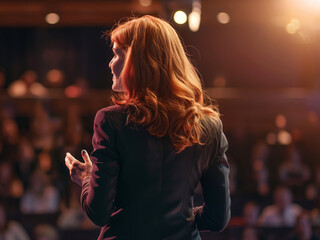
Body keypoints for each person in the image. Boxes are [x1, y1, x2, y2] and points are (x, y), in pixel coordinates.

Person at [64, 15, 230, 239]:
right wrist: (179, 220)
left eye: (116, 54)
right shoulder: (210, 127)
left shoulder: (110, 121)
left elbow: (99, 213)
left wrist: (86, 178)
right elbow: (217, 219)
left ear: (136, 61)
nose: (110, 63)